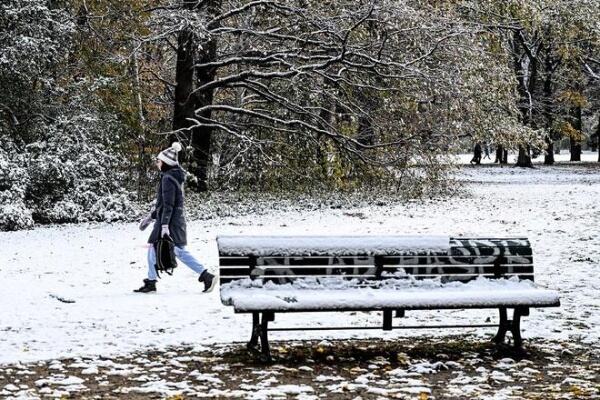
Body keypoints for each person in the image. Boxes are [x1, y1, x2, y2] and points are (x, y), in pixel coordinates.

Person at [134, 142, 216, 294]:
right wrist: (151, 217)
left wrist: (164, 226)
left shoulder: (168, 179)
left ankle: (206, 275)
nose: (157, 163)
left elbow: (168, 205)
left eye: (159, 161)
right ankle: (151, 281)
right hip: (171, 220)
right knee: (153, 249)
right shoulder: (172, 176)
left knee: (178, 251)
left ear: (165, 163)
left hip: (170, 223)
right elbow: (164, 204)